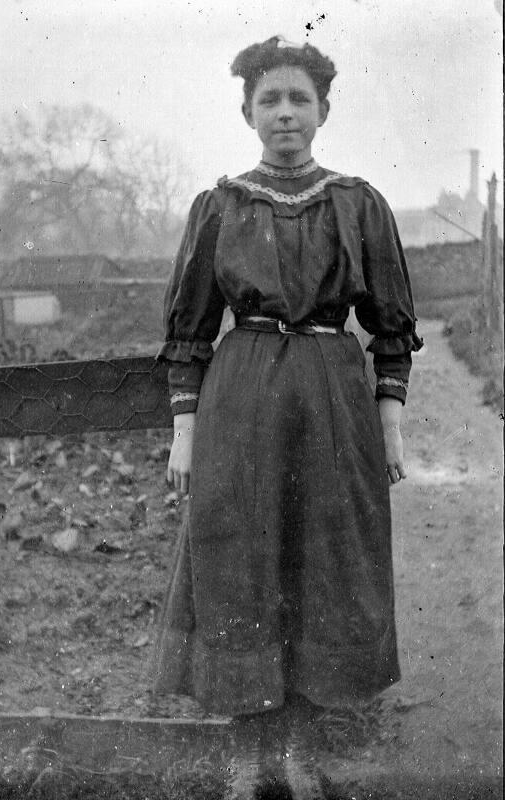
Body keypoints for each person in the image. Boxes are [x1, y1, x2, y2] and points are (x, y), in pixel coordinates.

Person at [150, 35, 422, 795]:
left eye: (298, 98)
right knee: (240, 563)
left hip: (334, 405)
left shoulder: (358, 204)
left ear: (323, 110)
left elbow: (391, 327)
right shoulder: (220, 206)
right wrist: (185, 434)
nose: (285, 113)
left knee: (321, 567)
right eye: (268, 100)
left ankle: (299, 752)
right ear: (247, 113)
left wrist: (387, 424)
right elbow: (190, 329)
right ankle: (247, 754)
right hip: (242, 403)